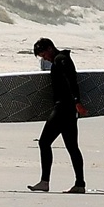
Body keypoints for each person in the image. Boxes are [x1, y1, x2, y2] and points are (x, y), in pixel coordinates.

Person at [30, 38, 87, 194]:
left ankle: (44, 182)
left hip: (63, 108)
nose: (44, 58)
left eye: (43, 54)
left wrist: (77, 102)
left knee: (44, 143)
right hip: (69, 110)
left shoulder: (60, 60)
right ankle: (80, 184)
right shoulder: (63, 58)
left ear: (49, 48)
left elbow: (71, 81)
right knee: (72, 147)